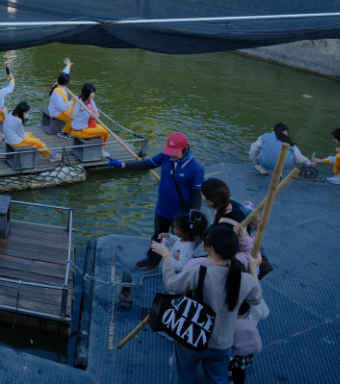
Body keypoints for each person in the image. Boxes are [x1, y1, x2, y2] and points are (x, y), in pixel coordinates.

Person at [152, 226, 262, 384]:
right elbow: (257, 298)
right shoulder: (245, 280)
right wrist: (252, 268)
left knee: (182, 378)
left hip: (191, 336)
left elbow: (171, 286)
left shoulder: (199, 272)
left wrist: (167, 257)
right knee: (218, 380)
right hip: (222, 342)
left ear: (209, 249)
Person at [108, 132, 204, 269]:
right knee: (158, 236)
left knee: (183, 241)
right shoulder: (165, 156)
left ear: (185, 149)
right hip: (162, 209)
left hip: (181, 213)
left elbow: (196, 193)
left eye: (174, 152)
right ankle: (152, 261)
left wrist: (196, 212)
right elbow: (146, 164)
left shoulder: (196, 167)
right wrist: (123, 165)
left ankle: (183, 265)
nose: (171, 154)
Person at [61, 83, 110, 148]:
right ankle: (101, 150)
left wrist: (95, 115)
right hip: (80, 130)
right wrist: (75, 103)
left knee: (106, 129)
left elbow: (97, 113)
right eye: (91, 92)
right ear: (86, 93)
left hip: (88, 126)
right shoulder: (79, 103)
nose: (93, 94)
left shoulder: (91, 101)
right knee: (105, 132)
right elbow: (71, 116)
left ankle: (98, 147)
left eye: (94, 92)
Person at [48, 57, 74, 140]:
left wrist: (68, 65)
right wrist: (71, 103)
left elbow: (64, 73)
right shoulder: (57, 93)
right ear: (66, 83)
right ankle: (63, 132)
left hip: (63, 108)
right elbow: (61, 107)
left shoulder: (58, 83)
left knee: (79, 111)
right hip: (57, 112)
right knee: (75, 118)